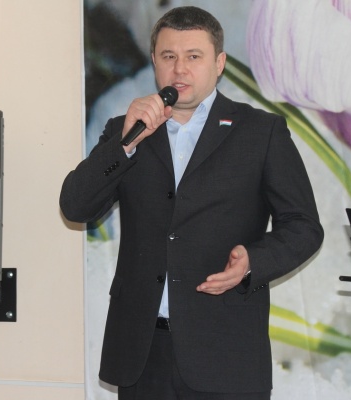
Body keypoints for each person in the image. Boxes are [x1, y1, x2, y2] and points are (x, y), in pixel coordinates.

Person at [60, 6, 323, 400]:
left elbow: (303, 227)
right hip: (143, 354)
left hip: (226, 353)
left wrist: (253, 261)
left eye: (193, 56)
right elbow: (75, 206)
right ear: (154, 61)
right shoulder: (125, 130)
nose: (179, 69)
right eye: (169, 56)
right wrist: (124, 145)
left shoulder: (260, 132)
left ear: (219, 63)